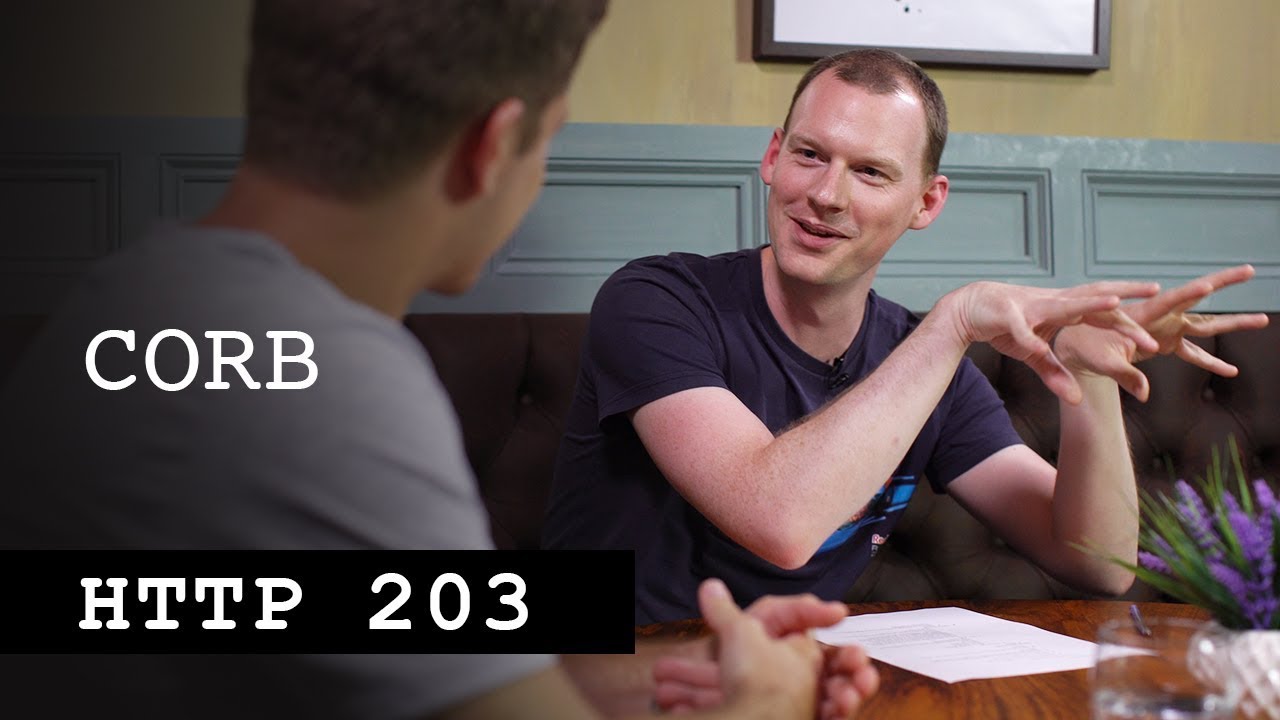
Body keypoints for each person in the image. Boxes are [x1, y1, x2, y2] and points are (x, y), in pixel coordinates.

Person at [0, 2, 878, 719]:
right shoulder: (324, 377)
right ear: (491, 147)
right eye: (548, 141)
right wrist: (761, 706)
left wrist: (671, 677)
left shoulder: (137, 297)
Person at [542, 48, 1270, 626]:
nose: (825, 194)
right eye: (809, 155)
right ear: (772, 157)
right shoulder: (656, 301)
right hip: (594, 668)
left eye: (870, 172)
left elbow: (1099, 564)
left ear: (926, 201)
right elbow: (780, 523)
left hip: (785, 677)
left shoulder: (924, 360)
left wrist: (1091, 380)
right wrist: (952, 325)